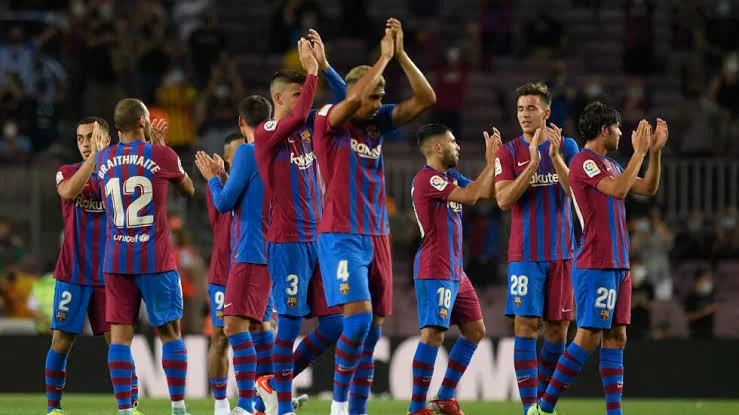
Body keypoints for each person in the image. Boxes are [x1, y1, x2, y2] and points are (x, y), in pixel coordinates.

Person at [313, 18, 436, 415]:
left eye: (383, 96)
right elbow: (350, 101)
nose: (380, 103)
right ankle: (337, 407)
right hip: (341, 235)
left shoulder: (375, 124)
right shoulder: (328, 120)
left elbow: (426, 98)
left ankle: (357, 411)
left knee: (371, 334)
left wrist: (399, 56)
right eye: (374, 95)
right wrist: (379, 60)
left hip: (377, 236)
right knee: (357, 321)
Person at [531, 102, 667, 415]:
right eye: (617, 128)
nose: (621, 134)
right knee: (588, 337)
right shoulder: (584, 162)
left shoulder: (613, 165)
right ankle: (544, 408)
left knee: (617, 336)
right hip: (596, 262)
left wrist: (655, 152)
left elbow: (648, 187)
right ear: (604, 130)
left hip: (619, 263)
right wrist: (639, 153)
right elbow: (617, 191)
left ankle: (613, 413)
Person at [253, 31, 346, 415]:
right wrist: (309, 76)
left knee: (335, 325)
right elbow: (294, 117)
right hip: (287, 240)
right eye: (296, 95)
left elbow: (346, 102)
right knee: (289, 324)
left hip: (317, 240)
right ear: (278, 99)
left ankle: (273, 383)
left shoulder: (308, 126)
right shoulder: (266, 134)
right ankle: (283, 408)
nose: (304, 100)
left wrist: (324, 68)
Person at [98, 98, 196, 415]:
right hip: (155, 259)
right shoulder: (161, 155)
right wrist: (162, 147)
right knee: (170, 333)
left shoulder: (103, 158)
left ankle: (125, 410)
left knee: (120, 338)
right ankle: (178, 407)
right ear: (143, 121)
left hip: (116, 259)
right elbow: (189, 191)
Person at [45, 117, 143, 415]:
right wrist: (96, 159)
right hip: (73, 273)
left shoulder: (118, 177)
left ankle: (130, 407)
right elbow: (68, 192)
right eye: (80, 138)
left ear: (107, 139)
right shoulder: (67, 172)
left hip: (110, 274)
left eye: (91, 137)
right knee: (61, 341)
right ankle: (54, 408)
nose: (85, 143)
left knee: (118, 343)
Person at [494, 82, 580, 415]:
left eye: (531, 108)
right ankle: (529, 407)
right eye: (520, 109)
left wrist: (554, 158)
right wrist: (531, 165)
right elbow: (503, 199)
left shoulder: (567, 146)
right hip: (525, 255)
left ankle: (544, 405)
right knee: (526, 325)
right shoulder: (508, 152)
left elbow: (576, 193)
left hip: (562, 253)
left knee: (557, 330)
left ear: (547, 112)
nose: (524, 115)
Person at [407, 123, 500, 415]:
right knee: (433, 334)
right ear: (437, 147)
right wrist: (489, 164)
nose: (458, 146)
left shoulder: (450, 177)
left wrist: (494, 164)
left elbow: (484, 191)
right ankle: (415, 409)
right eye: (453, 141)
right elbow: (471, 196)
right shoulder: (427, 179)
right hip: (435, 267)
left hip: (456, 271)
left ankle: (444, 397)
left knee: (475, 330)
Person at [195, 95, 273, 415]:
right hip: (273, 252)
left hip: (249, 252)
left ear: (242, 122)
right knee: (261, 329)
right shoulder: (278, 153)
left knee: (233, 329)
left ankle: (244, 405)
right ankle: (270, 400)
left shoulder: (247, 151)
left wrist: (213, 179)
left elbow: (225, 203)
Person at [205, 133, 244, 415]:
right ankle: (221, 405)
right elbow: (225, 204)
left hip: (256, 272)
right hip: (224, 274)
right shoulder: (216, 186)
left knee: (261, 335)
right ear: (227, 158)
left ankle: (256, 401)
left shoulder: (261, 180)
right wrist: (217, 177)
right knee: (220, 338)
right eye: (239, 153)